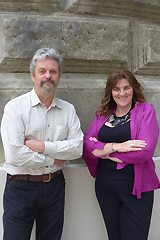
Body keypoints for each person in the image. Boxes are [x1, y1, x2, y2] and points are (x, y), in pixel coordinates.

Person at [1, 47, 83, 240]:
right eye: (42, 71)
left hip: (54, 187)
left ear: (59, 76)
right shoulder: (15, 108)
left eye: (53, 72)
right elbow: (14, 154)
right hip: (20, 188)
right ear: (33, 76)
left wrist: (43, 146)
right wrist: (54, 158)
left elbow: (78, 147)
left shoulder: (68, 110)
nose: (48, 76)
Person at [83, 69, 159, 240]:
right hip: (106, 187)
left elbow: (144, 151)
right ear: (111, 91)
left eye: (127, 88)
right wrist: (115, 147)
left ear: (134, 89)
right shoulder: (103, 114)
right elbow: (87, 144)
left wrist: (104, 153)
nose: (122, 93)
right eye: (116, 89)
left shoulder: (146, 111)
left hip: (135, 188)